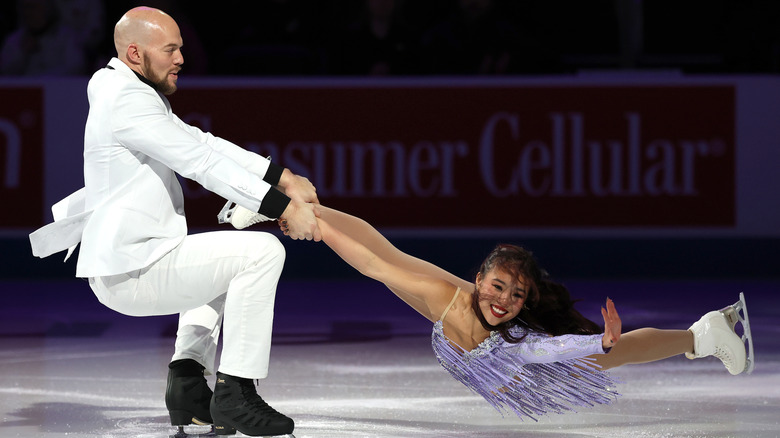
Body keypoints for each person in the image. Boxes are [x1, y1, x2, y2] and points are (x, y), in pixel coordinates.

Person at [29, 6, 319, 437]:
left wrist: (281, 177)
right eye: (170, 49)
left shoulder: (126, 88)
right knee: (262, 253)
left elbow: (200, 140)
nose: (181, 58)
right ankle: (237, 393)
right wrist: (283, 207)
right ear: (135, 53)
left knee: (224, 261)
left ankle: (188, 387)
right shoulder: (127, 100)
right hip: (132, 268)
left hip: (134, 260)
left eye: (180, 48)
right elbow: (200, 161)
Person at [250, 205, 752, 420]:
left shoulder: (494, 325)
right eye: (497, 287)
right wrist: (311, 220)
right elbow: (376, 261)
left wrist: (597, 342)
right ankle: (299, 205)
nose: (505, 300)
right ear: (477, 280)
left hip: (515, 362)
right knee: (394, 262)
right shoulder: (449, 297)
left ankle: (703, 335)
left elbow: (549, 350)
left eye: (516, 295)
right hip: (462, 327)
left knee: (612, 356)